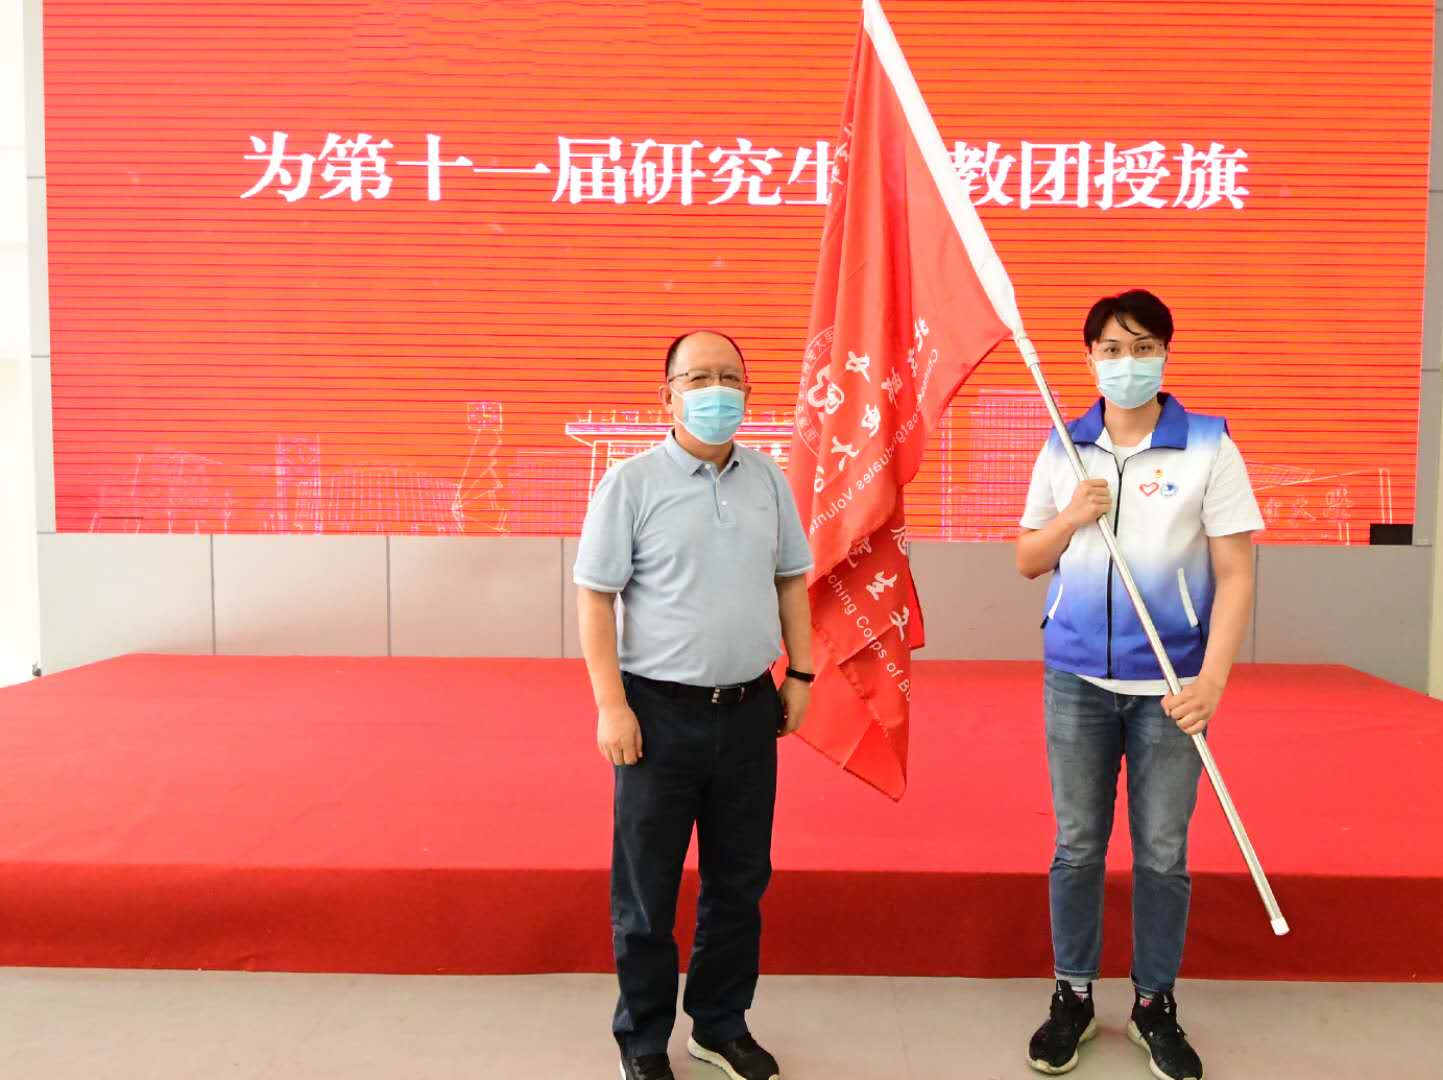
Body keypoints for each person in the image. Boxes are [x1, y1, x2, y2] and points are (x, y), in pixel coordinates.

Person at [1015, 290, 1263, 1080]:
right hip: (1075, 681)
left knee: (1160, 851)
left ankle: (1154, 1003)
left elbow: (1235, 571)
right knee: (1076, 845)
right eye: (1112, 349)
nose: (1127, 362)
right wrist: (1069, 518)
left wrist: (1211, 680)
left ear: (1164, 353)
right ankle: (1072, 995)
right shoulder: (1063, 445)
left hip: (1171, 687)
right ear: (1089, 358)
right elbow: (1027, 558)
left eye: (1142, 347)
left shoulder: (1208, 446)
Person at [574, 330, 815, 1080]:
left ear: (747, 392)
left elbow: (791, 580)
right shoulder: (631, 483)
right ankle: (644, 1040)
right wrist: (611, 705)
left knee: (738, 882)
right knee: (646, 891)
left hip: (748, 709)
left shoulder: (767, 479)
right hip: (657, 713)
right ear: (668, 395)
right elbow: (595, 597)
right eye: (699, 377)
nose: (717, 391)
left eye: (730, 377)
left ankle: (719, 1023)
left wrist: (801, 674)